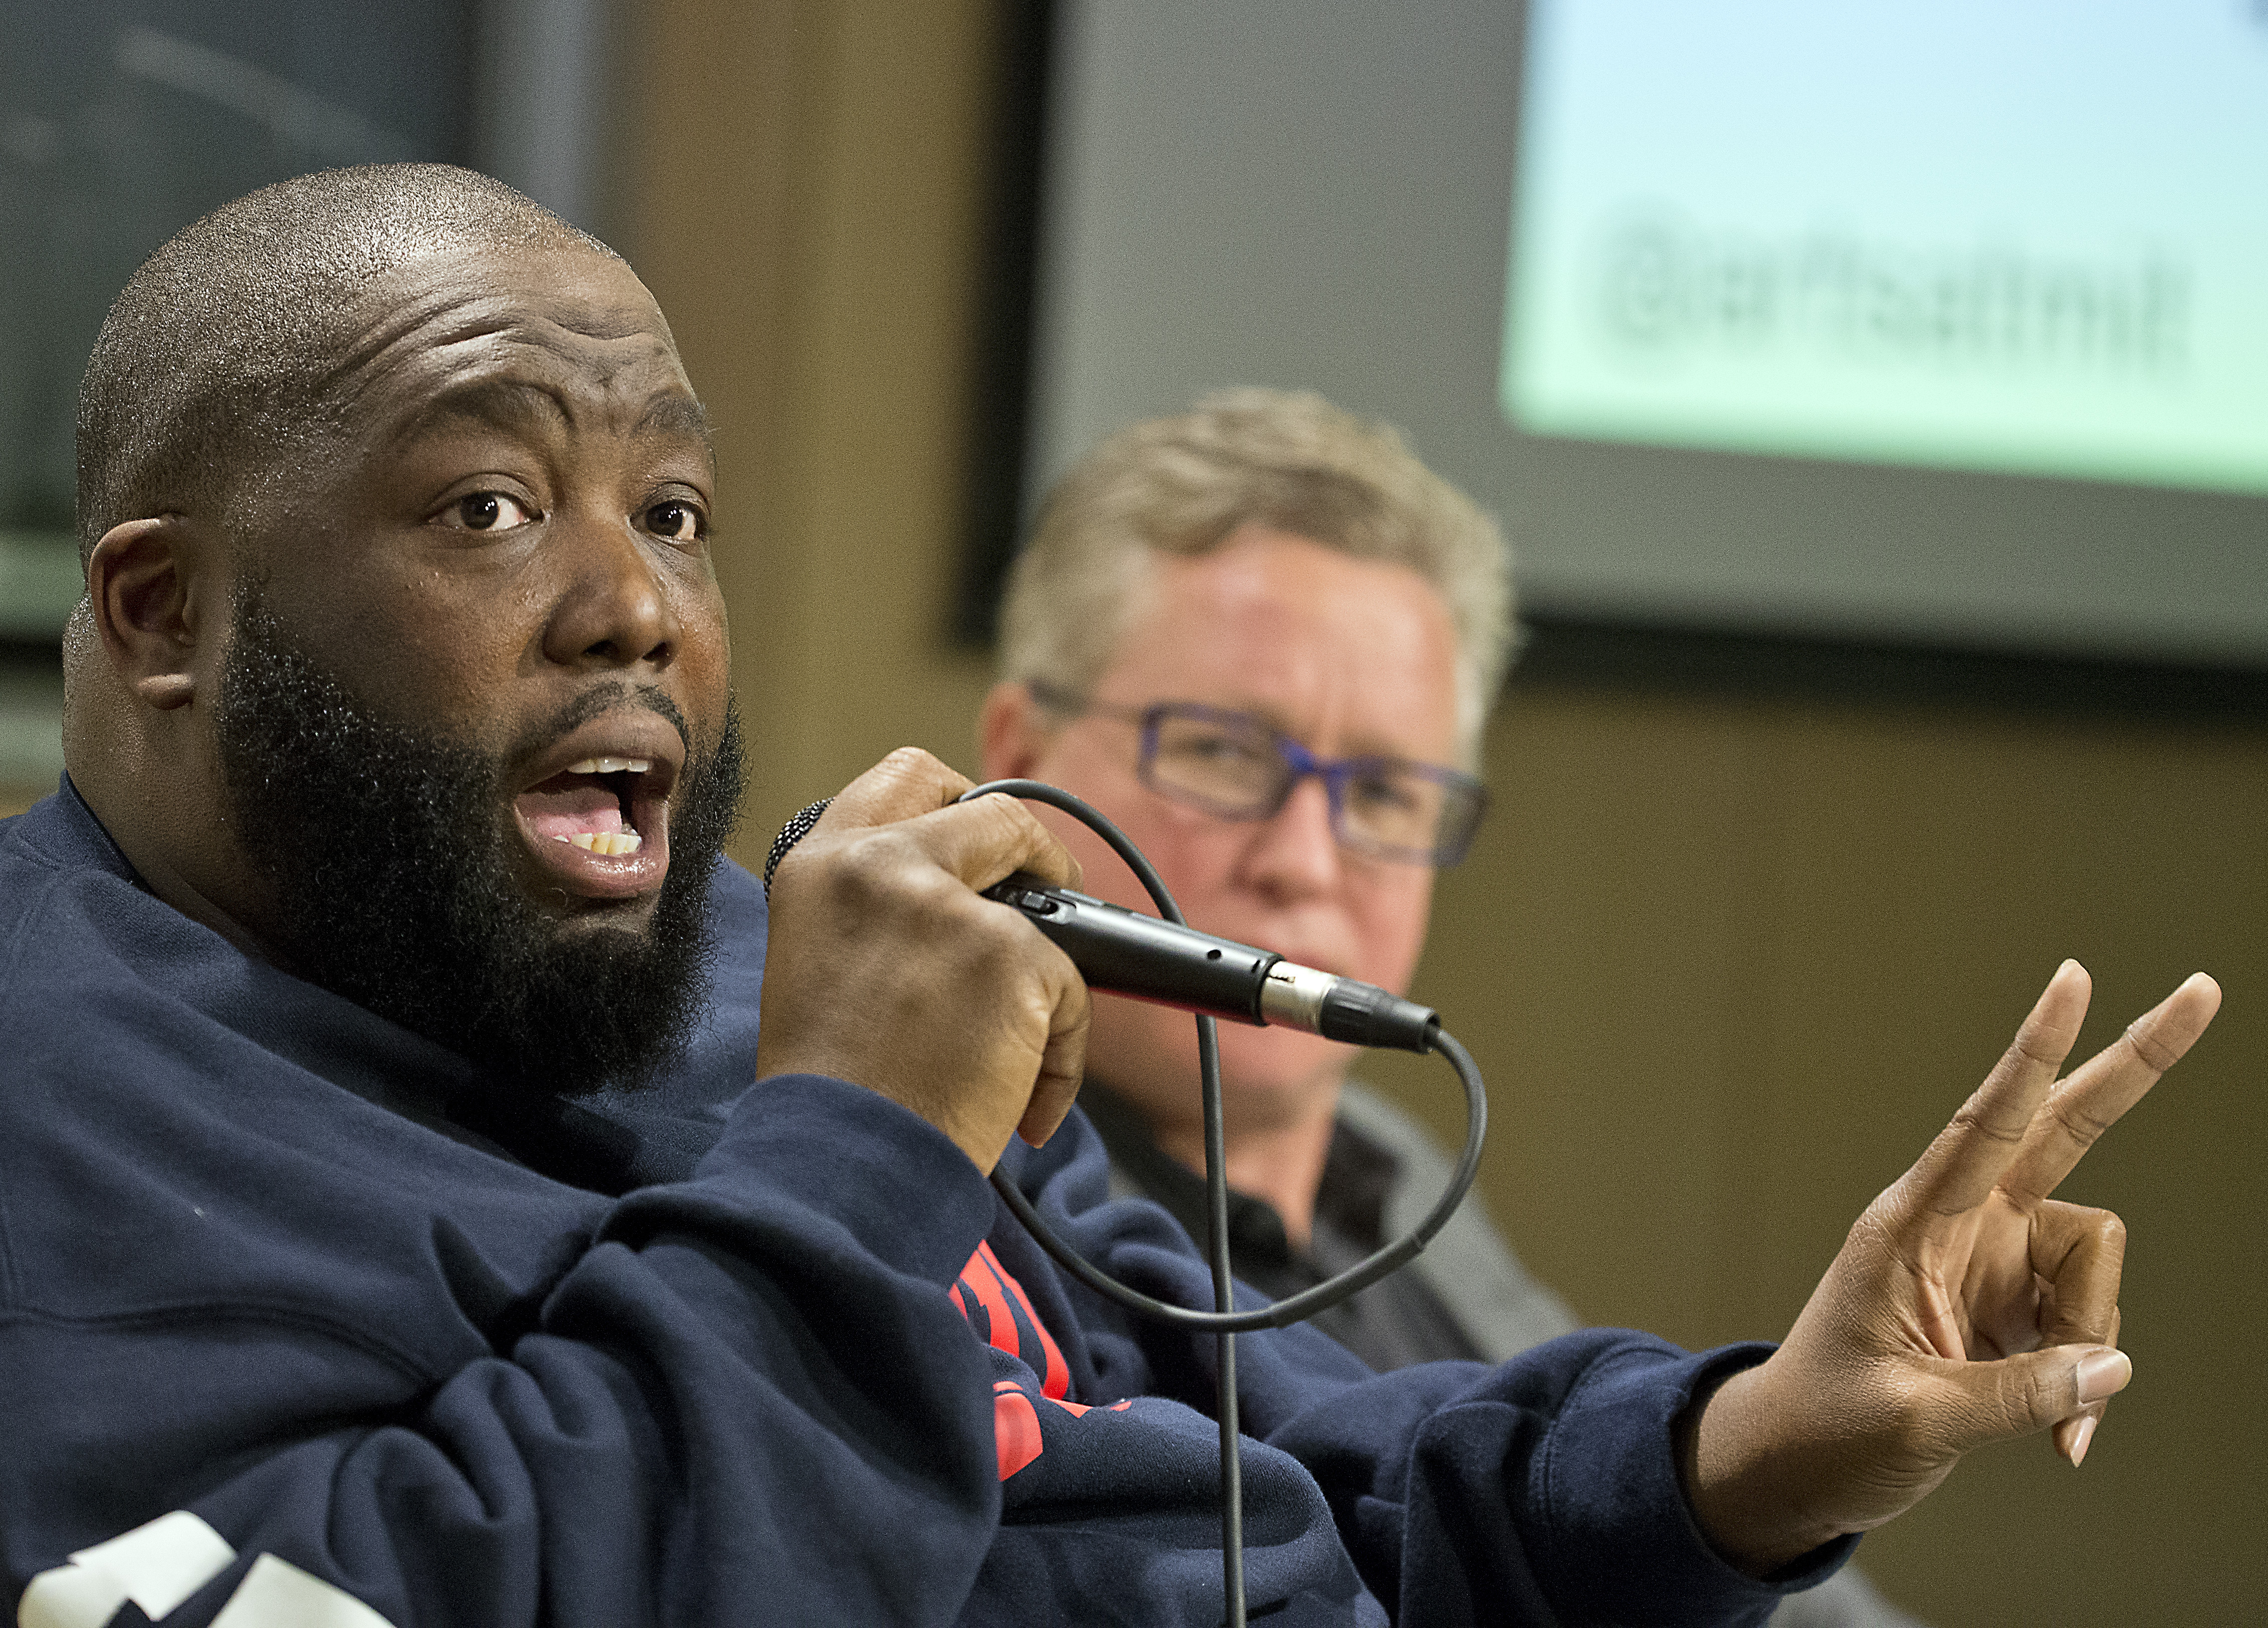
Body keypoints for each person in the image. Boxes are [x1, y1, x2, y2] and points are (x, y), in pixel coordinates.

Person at [0, 163, 2218, 1628]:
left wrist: (1742, 1450)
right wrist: (850, 1150)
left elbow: (1306, 1470)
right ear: (170, 610)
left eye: (674, 508)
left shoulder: (765, 982)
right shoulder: (66, 1099)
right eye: (488, 506)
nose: (635, 608)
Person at [976, 389, 1924, 1624]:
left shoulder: (1397, 1166)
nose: (1305, 860)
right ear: (1017, 753)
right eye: (1219, 750)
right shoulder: (973, 1209)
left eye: (1383, 791)